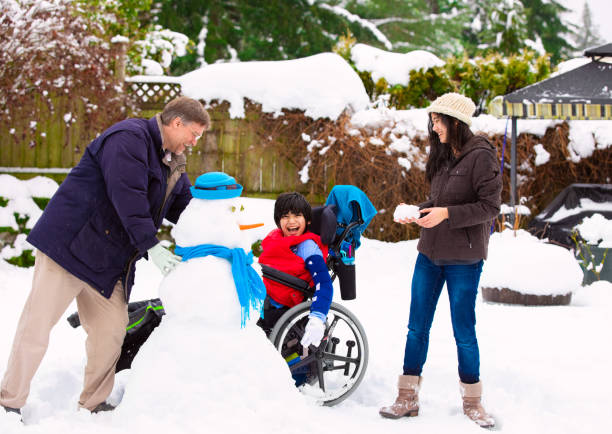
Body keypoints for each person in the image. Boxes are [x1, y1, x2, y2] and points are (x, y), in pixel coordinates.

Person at [0, 96, 210, 416]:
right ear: (176, 123)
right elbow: (128, 196)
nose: (195, 142)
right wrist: (150, 244)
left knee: (111, 331)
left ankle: (94, 402)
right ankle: (9, 401)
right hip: (70, 247)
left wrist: (216, 230)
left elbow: (186, 207)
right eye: (194, 133)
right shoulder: (128, 138)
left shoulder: (173, 162)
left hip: (109, 261)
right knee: (37, 326)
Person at [379, 93, 501, 428]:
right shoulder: (444, 156)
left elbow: (490, 207)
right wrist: (417, 214)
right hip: (429, 255)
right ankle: (407, 396)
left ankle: (473, 401)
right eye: (432, 121)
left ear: (456, 121)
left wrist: (446, 213)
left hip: (464, 258)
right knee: (416, 327)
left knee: (463, 330)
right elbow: (438, 202)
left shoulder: (481, 156)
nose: (434, 128)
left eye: (438, 120)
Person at [257, 192, 333, 351]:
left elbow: (324, 283)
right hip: (265, 297)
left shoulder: (308, 247)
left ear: (308, 220)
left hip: (282, 307)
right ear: (278, 222)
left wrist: (318, 317)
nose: (291, 221)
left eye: (297, 215)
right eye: (285, 216)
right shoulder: (276, 240)